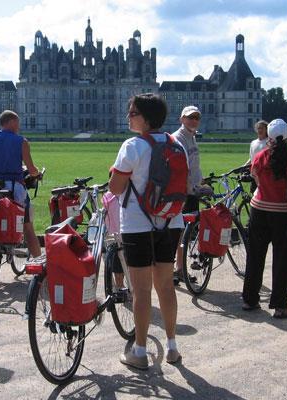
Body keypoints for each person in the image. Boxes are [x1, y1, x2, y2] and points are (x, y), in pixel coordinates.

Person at [109, 93, 183, 370]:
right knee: (165, 285)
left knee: (140, 291)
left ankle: (139, 351)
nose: (128, 116)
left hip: (138, 225)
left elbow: (116, 189)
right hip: (171, 222)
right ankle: (173, 346)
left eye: (133, 113)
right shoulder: (177, 144)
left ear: (146, 118)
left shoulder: (132, 146)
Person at [241, 119, 287, 318]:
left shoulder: (261, 156)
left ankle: (250, 299)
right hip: (282, 212)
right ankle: (280, 305)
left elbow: (256, 178)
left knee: (255, 256)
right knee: (283, 259)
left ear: (269, 136)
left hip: (258, 210)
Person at [0, 110, 42, 257]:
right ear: (11, 122)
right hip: (15, 188)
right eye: (17, 122)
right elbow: (31, 169)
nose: (19, 126)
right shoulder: (22, 141)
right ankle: (39, 263)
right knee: (27, 227)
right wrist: (36, 173)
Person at [171, 105, 211, 282]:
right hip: (184, 192)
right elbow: (183, 169)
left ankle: (178, 268)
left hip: (191, 191)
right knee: (180, 231)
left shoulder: (191, 137)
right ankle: (177, 268)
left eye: (196, 117)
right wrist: (192, 190)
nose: (194, 120)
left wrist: (201, 183)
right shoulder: (179, 139)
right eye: (190, 117)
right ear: (181, 119)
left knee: (182, 231)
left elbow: (194, 167)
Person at [245, 120, 269, 193]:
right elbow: (252, 158)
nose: (260, 130)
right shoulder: (253, 143)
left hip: (265, 175)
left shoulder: (269, 142)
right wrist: (244, 166)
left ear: (266, 130)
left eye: (262, 128)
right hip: (254, 174)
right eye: (258, 128)